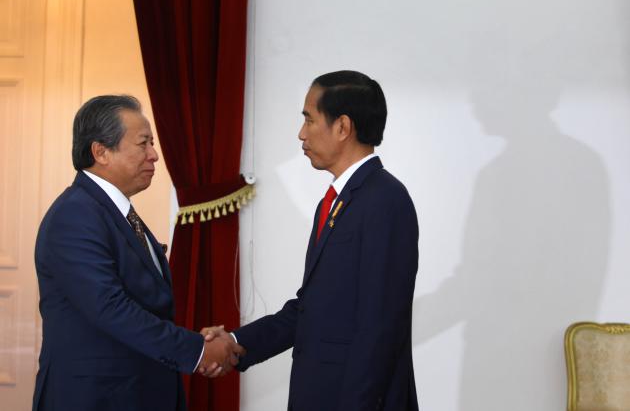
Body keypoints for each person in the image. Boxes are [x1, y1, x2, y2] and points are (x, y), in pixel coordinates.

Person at [214, 71, 419, 410]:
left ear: (342, 127)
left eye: (309, 119)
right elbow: (312, 308)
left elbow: (379, 328)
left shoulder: (385, 200)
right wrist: (237, 341)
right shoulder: (336, 201)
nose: (301, 133)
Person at [32, 95, 243, 411]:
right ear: (101, 152)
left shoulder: (115, 212)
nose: (154, 155)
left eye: (152, 144)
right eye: (144, 144)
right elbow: (110, 307)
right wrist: (197, 350)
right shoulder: (75, 215)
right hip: (97, 398)